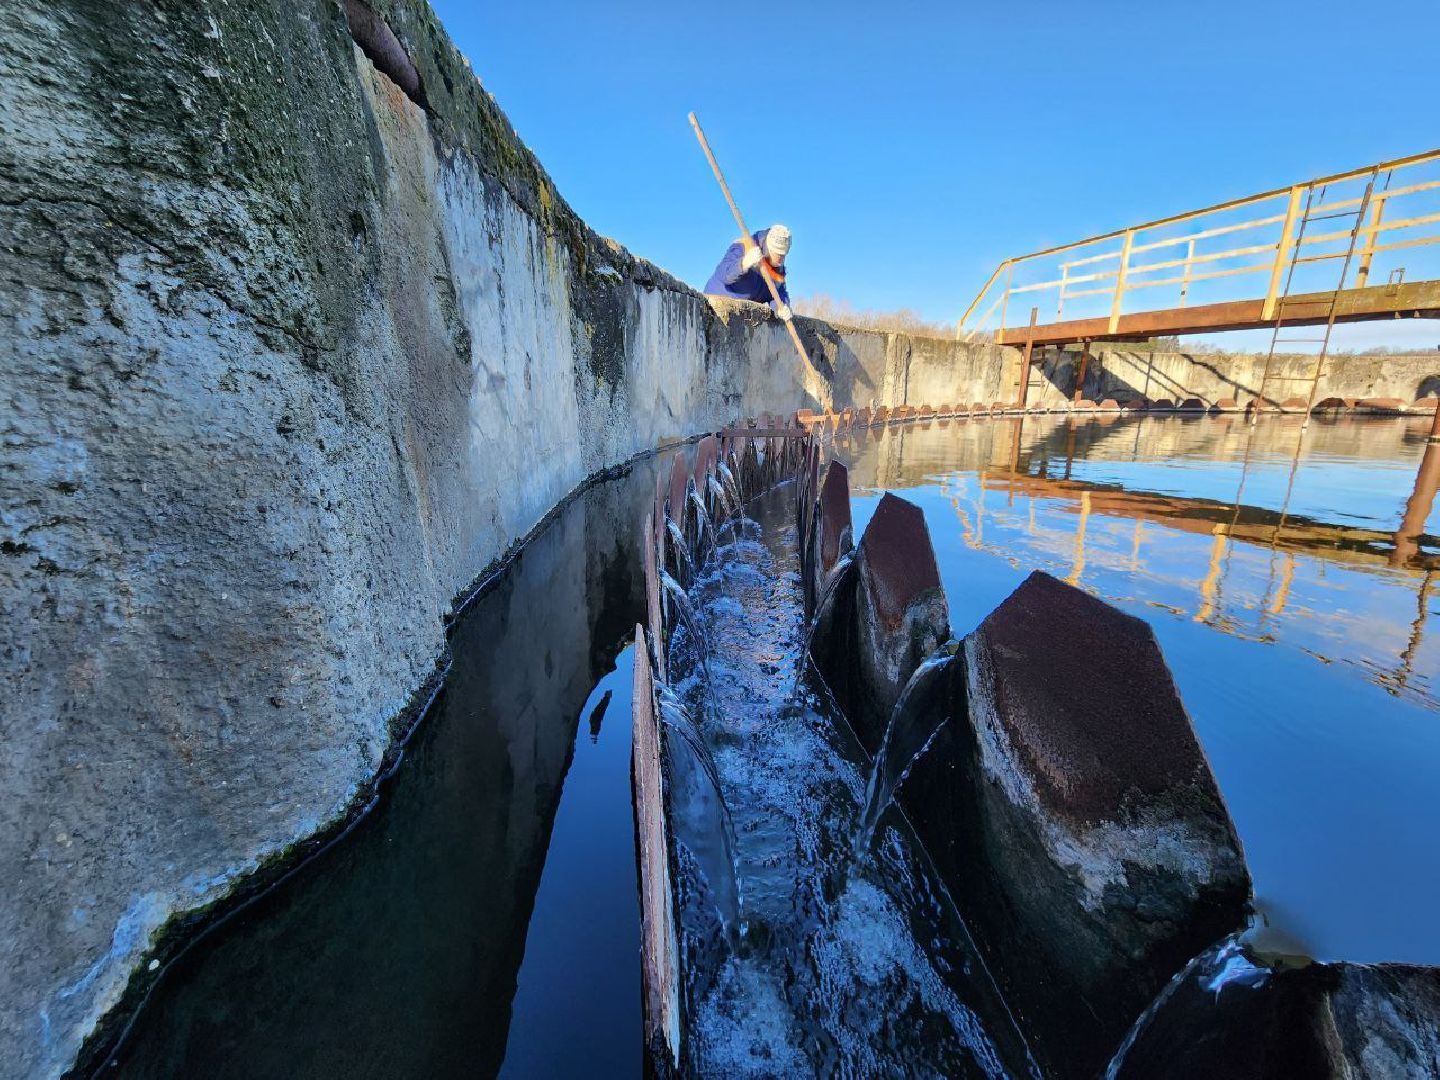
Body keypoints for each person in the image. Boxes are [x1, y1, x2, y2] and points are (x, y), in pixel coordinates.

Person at [703, 224, 793, 321]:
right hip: (716, 306)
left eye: (784, 254)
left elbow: (780, 293)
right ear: (769, 247)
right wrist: (744, 263)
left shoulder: (778, 269)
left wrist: (781, 307)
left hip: (743, 316)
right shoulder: (745, 246)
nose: (781, 259)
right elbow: (723, 274)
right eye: (778, 254)